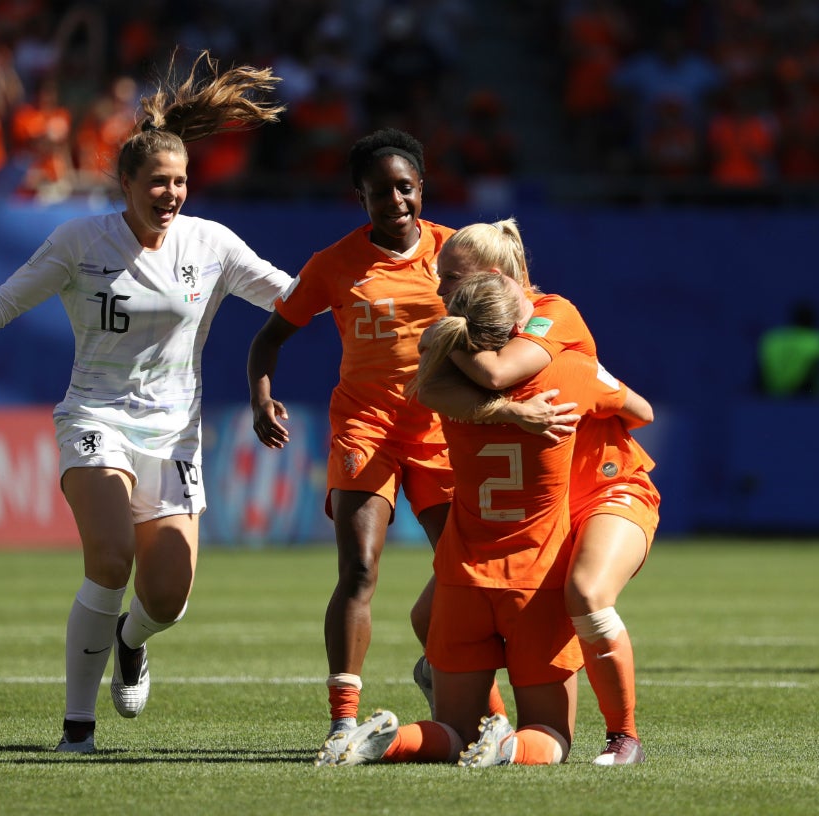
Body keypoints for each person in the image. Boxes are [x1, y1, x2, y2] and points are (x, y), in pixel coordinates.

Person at [0, 50, 291, 752]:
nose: (172, 193)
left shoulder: (211, 243)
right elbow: (5, 300)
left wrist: (372, 290)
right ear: (126, 184)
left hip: (174, 433)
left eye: (180, 181)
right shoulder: (81, 240)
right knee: (110, 557)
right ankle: (78, 728)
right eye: (158, 182)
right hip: (94, 416)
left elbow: (291, 294)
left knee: (168, 598)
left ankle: (132, 641)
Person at [316, 270, 654, 767]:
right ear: (518, 327)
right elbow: (640, 411)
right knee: (550, 736)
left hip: (461, 579)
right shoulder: (572, 371)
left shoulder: (439, 385)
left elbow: (433, 372)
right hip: (534, 580)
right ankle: (512, 745)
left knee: (454, 731)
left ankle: (392, 740)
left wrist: (472, 375)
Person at [247, 128, 469, 750]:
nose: (395, 201)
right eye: (380, 191)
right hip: (365, 428)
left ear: (421, 188)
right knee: (360, 568)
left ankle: (438, 670)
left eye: (405, 188)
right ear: (361, 198)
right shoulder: (333, 264)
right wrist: (262, 398)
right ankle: (343, 719)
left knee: (463, 567)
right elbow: (269, 339)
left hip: (440, 429)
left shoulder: (457, 253)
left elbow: (512, 316)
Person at [417, 218, 661, 765]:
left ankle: (624, 737)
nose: (440, 288)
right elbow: (433, 390)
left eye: (451, 277)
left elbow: (500, 373)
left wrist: (446, 340)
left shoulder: (554, 313)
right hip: (548, 502)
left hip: (606, 484)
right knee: (424, 617)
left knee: (586, 593)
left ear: (497, 277)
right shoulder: (467, 331)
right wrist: (502, 403)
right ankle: (494, 735)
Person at [755, 300, 819, 399]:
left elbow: (760, 372)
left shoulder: (771, 338)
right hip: (804, 399)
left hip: (769, 397)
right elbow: (816, 371)